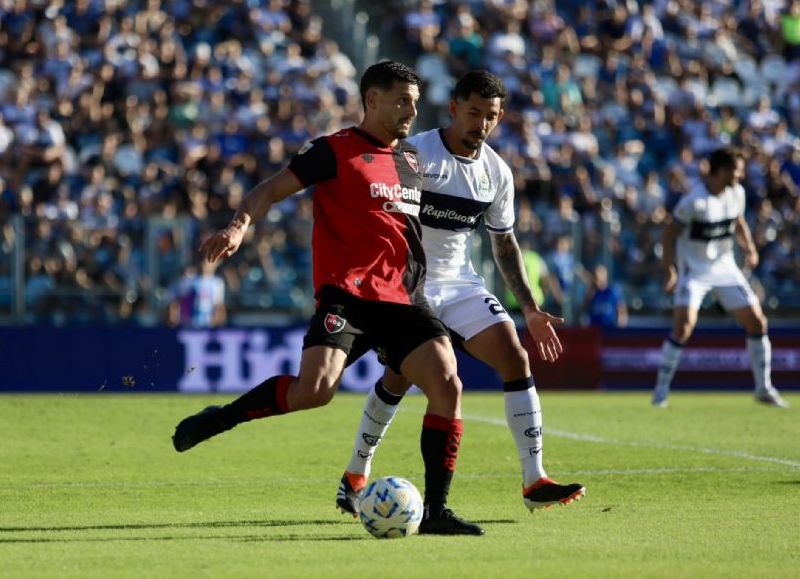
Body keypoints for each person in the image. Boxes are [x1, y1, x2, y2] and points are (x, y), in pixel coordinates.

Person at [171, 61, 483, 535]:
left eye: (416, 103)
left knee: (448, 384)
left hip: (403, 300)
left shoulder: (414, 161)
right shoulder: (333, 151)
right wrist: (239, 226)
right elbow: (269, 189)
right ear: (372, 100)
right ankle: (223, 417)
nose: (410, 111)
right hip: (348, 297)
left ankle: (437, 510)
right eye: (402, 100)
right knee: (314, 391)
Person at [334, 71, 585, 518]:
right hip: (408, 287)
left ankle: (534, 479)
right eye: (473, 113)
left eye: (490, 116)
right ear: (453, 108)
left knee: (515, 357)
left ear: (500, 117)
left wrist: (529, 307)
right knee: (399, 377)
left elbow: (503, 242)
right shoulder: (414, 154)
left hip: (460, 285)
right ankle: (356, 473)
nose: (481, 124)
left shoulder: (497, 173)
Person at [652, 147, 789, 408]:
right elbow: (669, 233)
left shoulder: (737, 193)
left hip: (725, 268)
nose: (740, 174)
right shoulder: (694, 201)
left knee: (757, 322)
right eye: (736, 170)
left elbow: (737, 221)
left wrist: (749, 247)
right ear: (721, 171)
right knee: (683, 328)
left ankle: (763, 388)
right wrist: (670, 269)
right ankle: (660, 391)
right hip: (694, 270)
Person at [167, 260, 227, 328]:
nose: (205, 264)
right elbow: (179, 299)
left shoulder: (217, 282)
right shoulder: (191, 280)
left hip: (208, 323)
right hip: (190, 323)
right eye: (204, 261)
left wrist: (218, 321)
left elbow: (218, 304)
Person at [582, 263, 628, 330]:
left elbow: (621, 309)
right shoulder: (592, 291)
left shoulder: (613, 290)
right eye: (595, 275)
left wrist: (621, 325)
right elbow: (584, 309)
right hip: (594, 330)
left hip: (610, 329)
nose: (598, 277)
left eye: (600, 274)